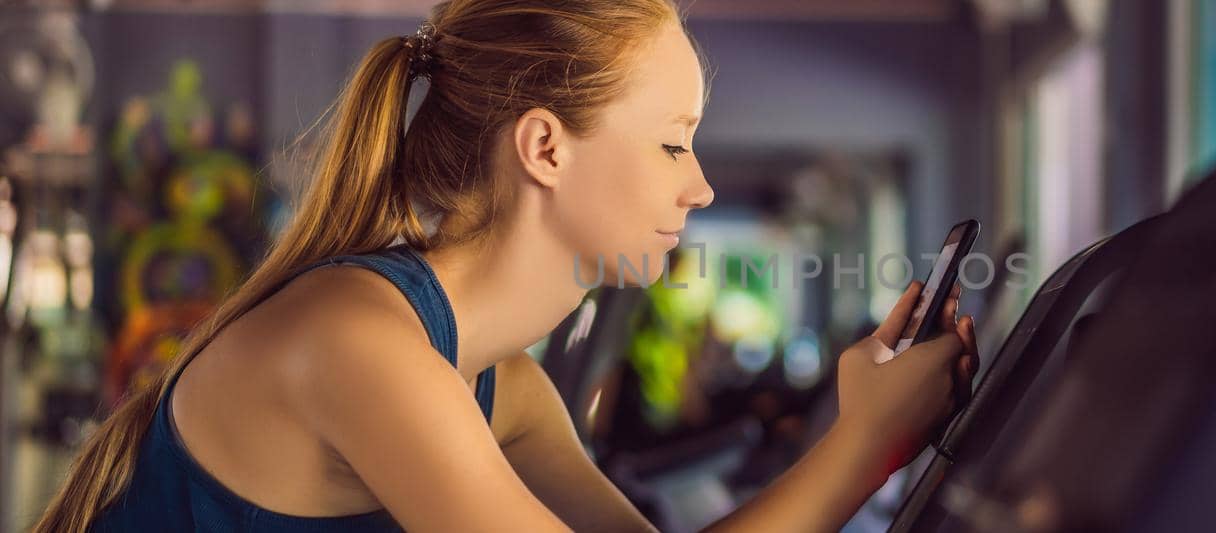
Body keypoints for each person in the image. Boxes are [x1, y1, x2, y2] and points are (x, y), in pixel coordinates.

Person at [35, 1, 977, 531]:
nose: (697, 189)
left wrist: (866, 433)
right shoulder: (357, 343)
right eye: (671, 144)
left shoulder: (505, 388)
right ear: (545, 148)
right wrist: (865, 444)